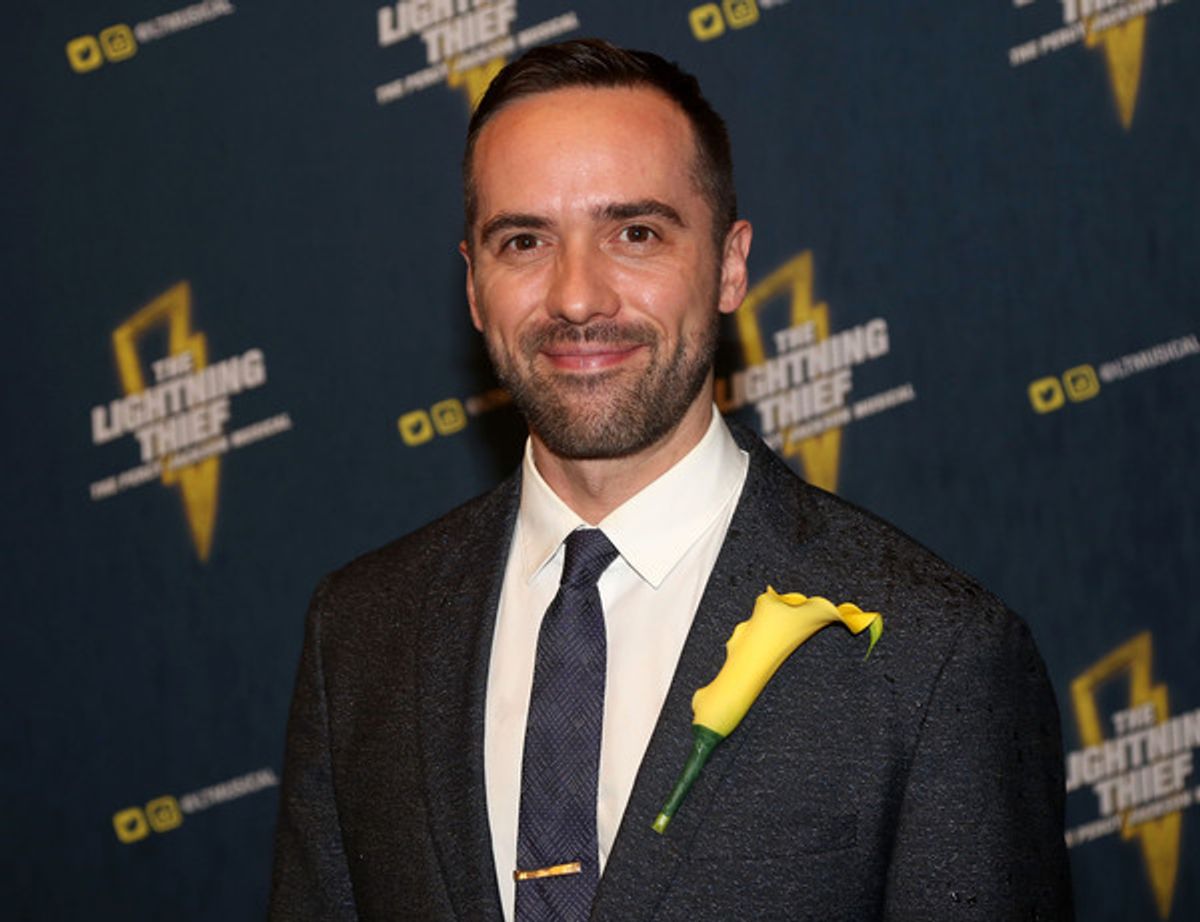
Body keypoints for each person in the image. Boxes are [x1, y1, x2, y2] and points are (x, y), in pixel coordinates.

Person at [269, 39, 1072, 921]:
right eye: (525, 239)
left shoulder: (937, 657)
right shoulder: (360, 632)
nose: (577, 297)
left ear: (730, 265)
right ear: (473, 286)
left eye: (636, 233)